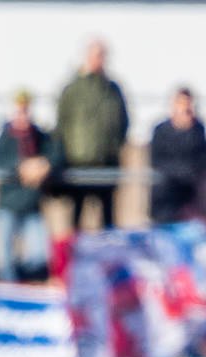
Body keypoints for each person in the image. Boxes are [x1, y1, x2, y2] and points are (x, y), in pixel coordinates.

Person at [55, 39, 127, 228]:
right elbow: (61, 125)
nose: (99, 60)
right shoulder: (72, 90)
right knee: (76, 221)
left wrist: (113, 148)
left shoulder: (113, 91)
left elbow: (123, 124)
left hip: (106, 164)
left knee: (108, 223)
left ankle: (109, 257)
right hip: (78, 165)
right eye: (95, 55)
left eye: (102, 56)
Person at [0, 89, 57, 283]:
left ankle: (20, 284)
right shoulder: (5, 137)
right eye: (19, 110)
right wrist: (22, 167)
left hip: (32, 206)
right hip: (7, 205)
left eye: (26, 110)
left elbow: (57, 154)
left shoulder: (39, 136)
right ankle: (9, 292)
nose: (23, 115)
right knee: (3, 259)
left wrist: (44, 164)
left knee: (40, 256)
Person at [148, 87, 206, 224]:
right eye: (181, 104)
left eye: (187, 104)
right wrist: (181, 172)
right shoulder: (160, 131)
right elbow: (157, 161)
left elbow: (202, 161)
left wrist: (189, 130)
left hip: (188, 201)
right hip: (164, 201)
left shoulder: (198, 130)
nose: (184, 109)